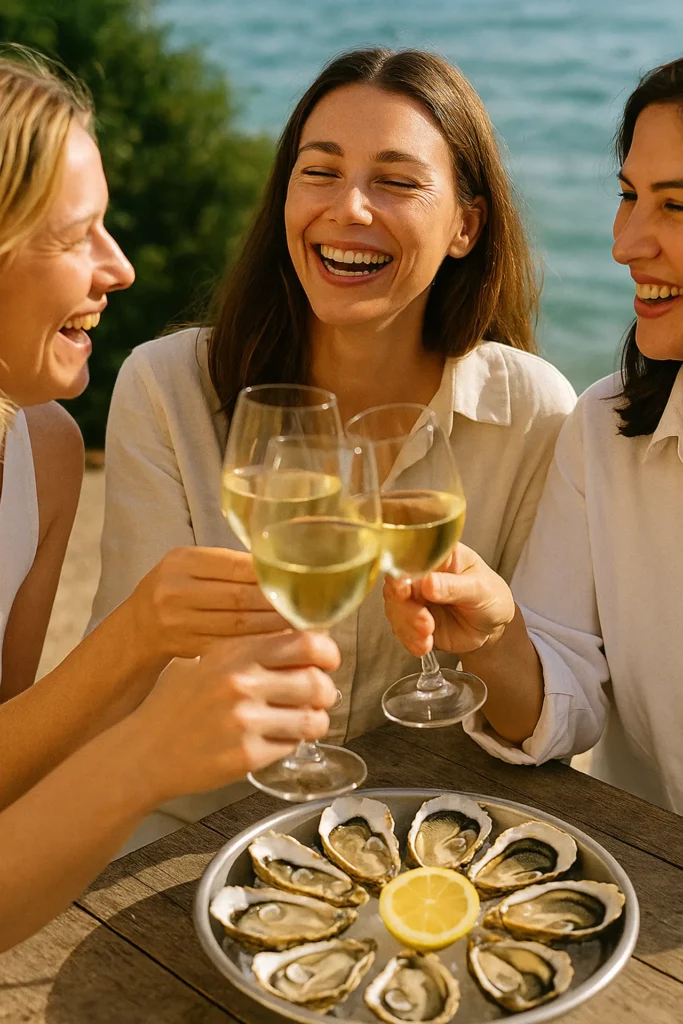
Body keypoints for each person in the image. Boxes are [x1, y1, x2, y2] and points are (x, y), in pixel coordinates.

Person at [90, 51, 576, 825]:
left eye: (396, 180)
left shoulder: (535, 411)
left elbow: (533, 725)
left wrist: (494, 638)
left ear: (464, 225)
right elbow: (127, 691)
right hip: (184, 837)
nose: (349, 209)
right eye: (319, 172)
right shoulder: (167, 386)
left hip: (422, 838)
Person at [0, 50, 338, 950]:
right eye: (77, 235)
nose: (120, 269)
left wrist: (140, 636)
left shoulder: (44, 450)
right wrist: (148, 753)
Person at [384, 58, 683, 816]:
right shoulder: (604, 427)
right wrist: (493, 635)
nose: (625, 244)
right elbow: (564, 704)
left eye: (675, 206)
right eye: (628, 196)